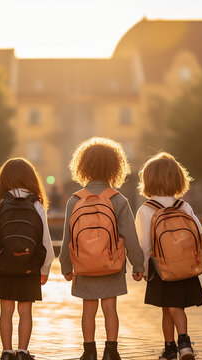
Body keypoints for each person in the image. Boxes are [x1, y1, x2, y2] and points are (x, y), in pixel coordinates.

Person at [59, 137, 145, 360]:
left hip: (84, 264)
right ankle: (111, 351)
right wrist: (138, 264)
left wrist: (66, 265)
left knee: (88, 309)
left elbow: (68, 237)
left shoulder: (75, 200)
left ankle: (88, 352)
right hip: (111, 264)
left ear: (83, 167)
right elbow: (130, 236)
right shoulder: (118, 200)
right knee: (110, 308)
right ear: (115, 168)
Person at [0, 157, 55, 360]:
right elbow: (45, 238)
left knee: (6, 310)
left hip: (4, 265)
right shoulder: (36, 203)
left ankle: (5, 352)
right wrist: (45, 268)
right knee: (25, 310)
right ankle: (22, 352)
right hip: (30, 265)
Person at [135, 152, 202, 360]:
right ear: (178, 178)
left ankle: (184, 343)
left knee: (171, 307)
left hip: (161, 268)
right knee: (170, 307)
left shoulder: (146, 210)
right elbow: (199, 233)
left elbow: (144, 245)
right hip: (184, 267)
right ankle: (169, 349)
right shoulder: (183, 206)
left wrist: (143, 270)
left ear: (148, 180)